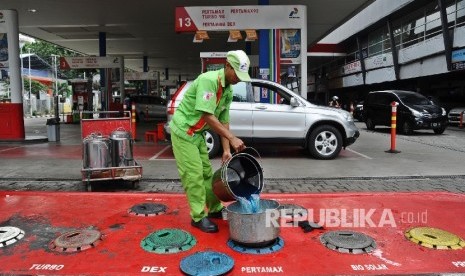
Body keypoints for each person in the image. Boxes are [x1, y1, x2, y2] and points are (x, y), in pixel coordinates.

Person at [169, 50, 249, 233]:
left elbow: (224, 120)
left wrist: (226, 150)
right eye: (237, 73)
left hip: (198, 135)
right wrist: (232, 138)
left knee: (207, 173)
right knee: (194, 175)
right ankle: (198, 217)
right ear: (227, 66)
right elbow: (207, 115)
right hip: (184, 132)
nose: (239, 78)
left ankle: (214, 209)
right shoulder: (209, 80)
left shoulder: (228, 89)